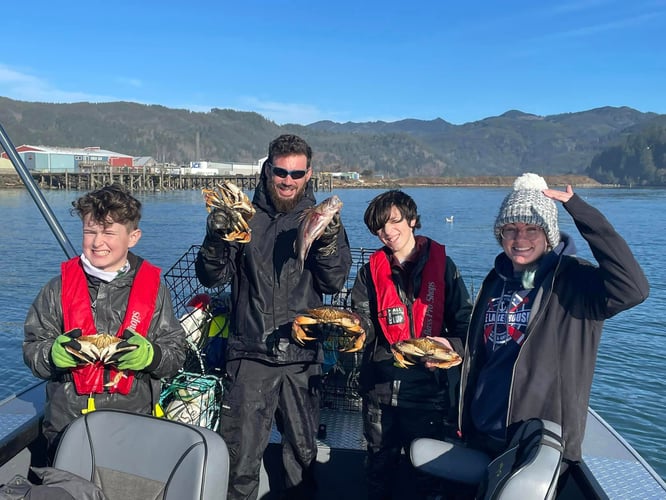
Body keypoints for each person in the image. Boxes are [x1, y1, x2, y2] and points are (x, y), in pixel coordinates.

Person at [458, 173, 649, 485]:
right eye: (511, 229)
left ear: (548, 234)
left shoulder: (577, 282)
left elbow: (634, 288)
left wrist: (580, 210)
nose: (520, 238)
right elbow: (488, 351)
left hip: (539, 444)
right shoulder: (495, 280)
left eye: (532, 228)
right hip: (484, 433)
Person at [195, 134, 352, 500]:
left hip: (301, 358)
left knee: (303, 458)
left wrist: (326, 244)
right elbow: (212, 276)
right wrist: (216, 237)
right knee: (240, 462)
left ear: (309, 173)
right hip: (249, 356)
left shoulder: (320, 218)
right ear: (268, 169)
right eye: (281, 171)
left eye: (296, 174)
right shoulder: (245, 218)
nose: (288, 180)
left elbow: (333, 281)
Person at [23, 183, 187, 461]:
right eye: (90, 231)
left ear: (133, 237)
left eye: (109, 232)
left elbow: (176, 352)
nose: (98, 242)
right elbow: (32, 348)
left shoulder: (154, 290)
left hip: (133, 422)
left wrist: (152, 356)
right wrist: (52, 354)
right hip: (67, 424)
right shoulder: (56, 289)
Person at [350, 190, 473, 500]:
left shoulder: (444, 268)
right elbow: (363, 323)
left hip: (429, 393)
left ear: (413, 220)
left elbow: (466, 324)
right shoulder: (369, 273)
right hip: (380, 393)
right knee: (379, 472)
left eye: (394, 222)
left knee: (428, 478)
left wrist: (451, 346)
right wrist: (351, 331)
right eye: (379, 228)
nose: (388, 232)